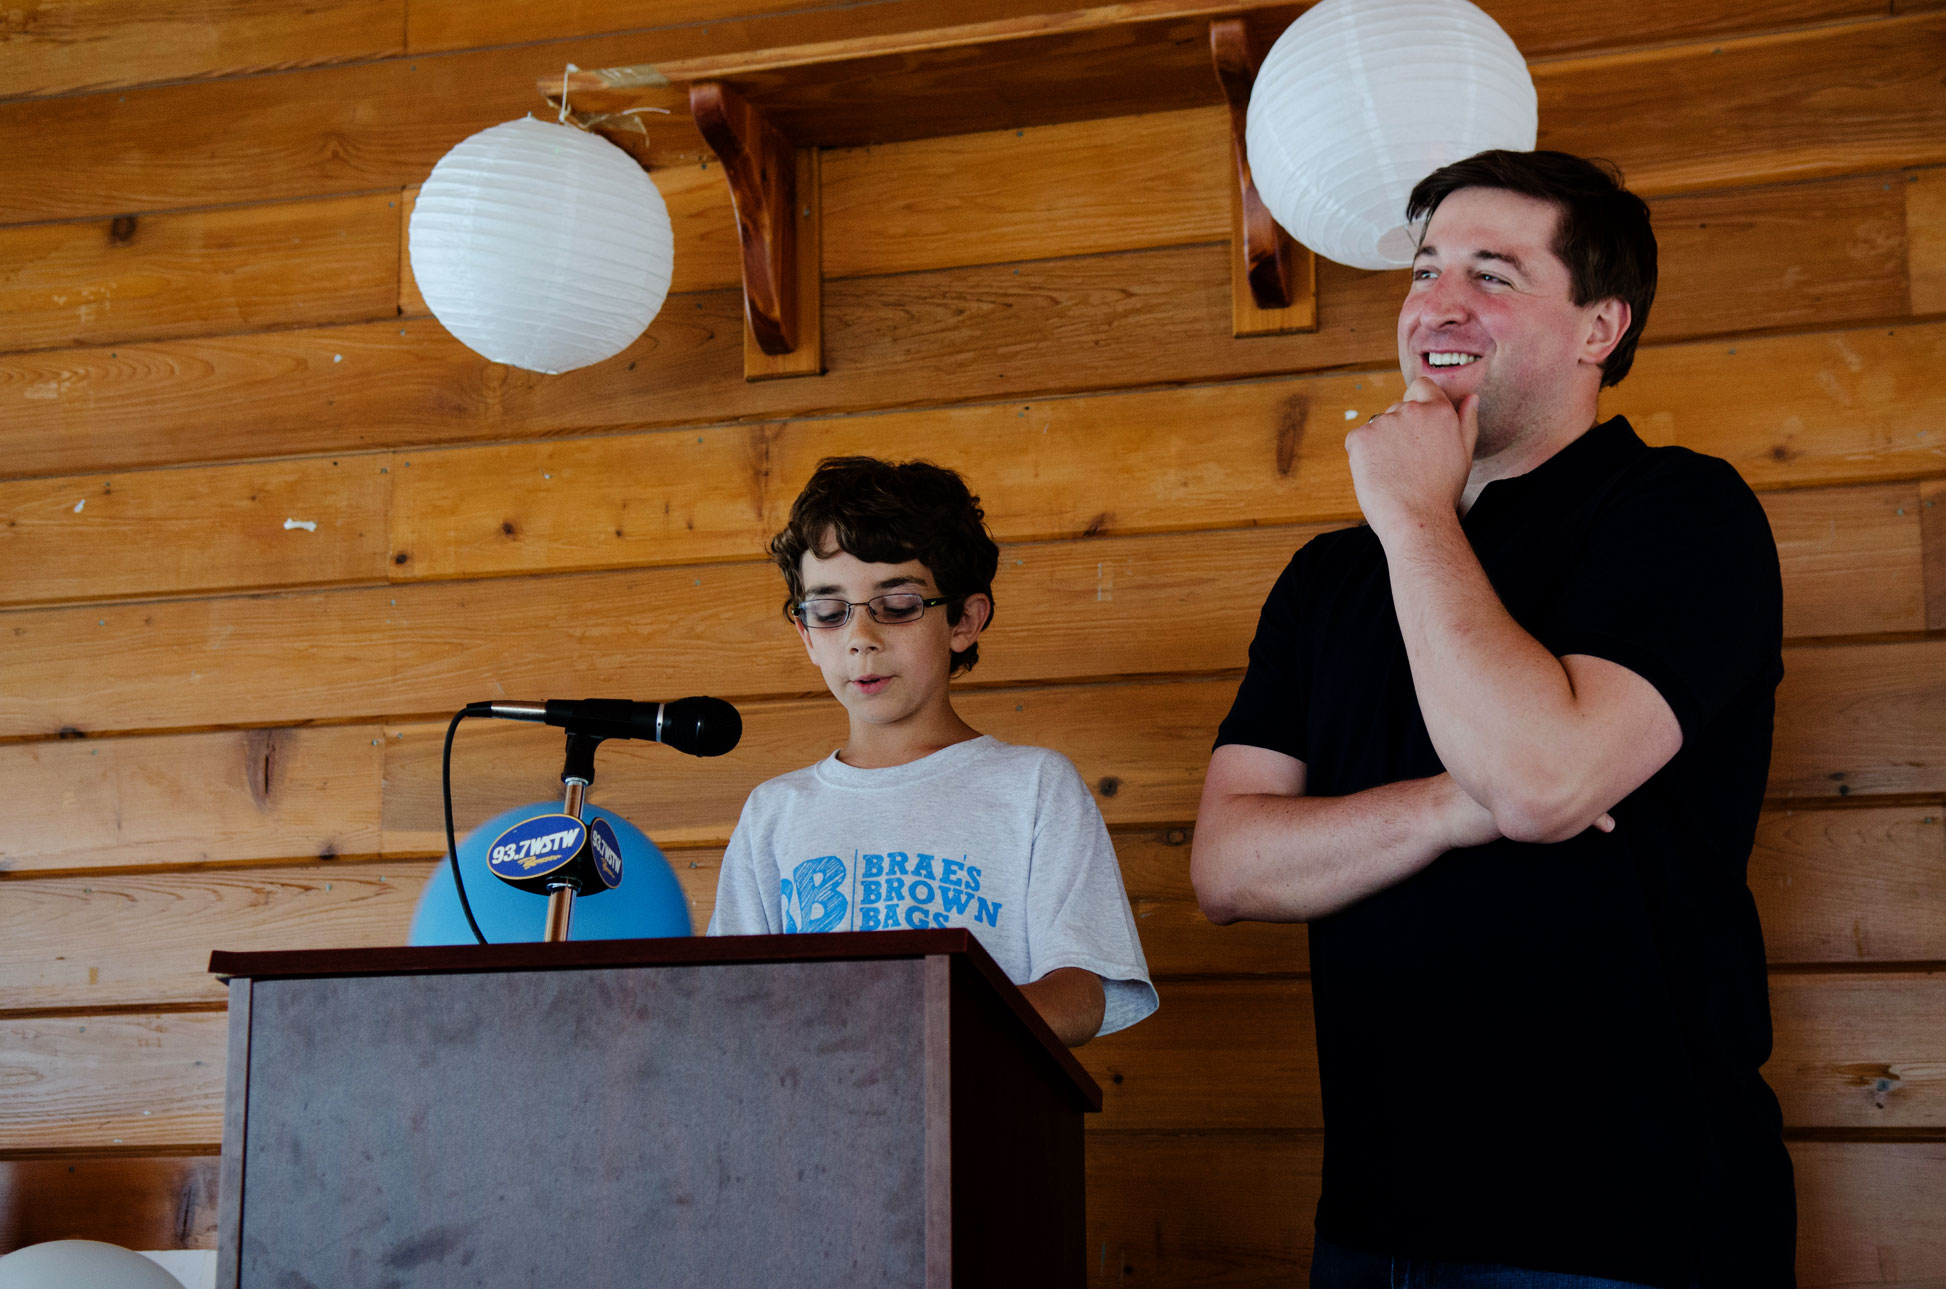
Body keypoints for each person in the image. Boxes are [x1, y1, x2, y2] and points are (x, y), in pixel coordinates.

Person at [1190, 151, 1794, 1287]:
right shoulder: (1329, 577)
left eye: (1492, 273)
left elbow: (1541, 781)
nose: (1438, 302)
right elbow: (1228, 865)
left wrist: (1416, 517)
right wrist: (1453, 806)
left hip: (1629, 1224)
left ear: (1599, 326)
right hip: (1372, 1224)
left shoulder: (1680, 513)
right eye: (1425, 270)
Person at [708, 455, 1158, 1046]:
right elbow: (726, 1006)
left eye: (898, 606)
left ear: (965, 620)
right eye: (829, 612)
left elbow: (1081, 995)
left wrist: (915, 1029)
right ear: (806, 636)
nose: (860, 639)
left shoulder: (1034, 787)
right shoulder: (773, 811)